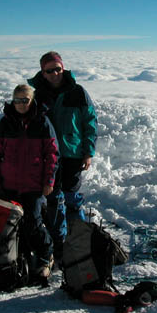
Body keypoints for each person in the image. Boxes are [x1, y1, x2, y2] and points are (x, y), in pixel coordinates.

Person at [28, 51, 97, 264]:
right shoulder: (37, 95)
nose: (55, 73)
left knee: (72, 198)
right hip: (47, 156)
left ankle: (80, 242)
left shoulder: (77, 92)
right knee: (53, 199)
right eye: (50, 70)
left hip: (73, 153)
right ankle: (58, 243)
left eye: (58, 68)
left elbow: (90, 122)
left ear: (63, 68)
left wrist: (88, 152)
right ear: (43, 72)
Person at [0, 84, 58, 278]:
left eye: (25, 100)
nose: (20, 104)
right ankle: (17, 254)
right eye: (17, 100)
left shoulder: (42, 122)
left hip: (33, 185)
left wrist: (49, 181)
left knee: (33, 222)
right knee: (9, 222)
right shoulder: (5, 123)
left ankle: (46, 256)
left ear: (32, 100)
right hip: (9, 184)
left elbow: (52, 154)